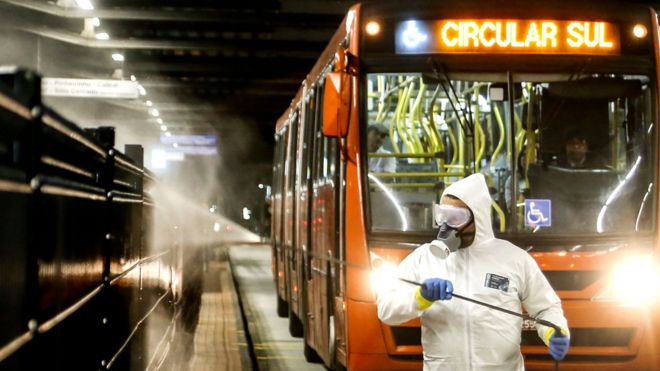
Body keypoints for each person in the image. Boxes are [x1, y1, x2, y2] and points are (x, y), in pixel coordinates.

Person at [376, 173, 570, 370]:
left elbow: (546, 307)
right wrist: (419, 297)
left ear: (479, 217)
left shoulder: (514, 259)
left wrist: (554, 332)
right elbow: (386, 310)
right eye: (442, 215)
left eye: (456, 217)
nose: (447, 225)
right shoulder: (423, 259)